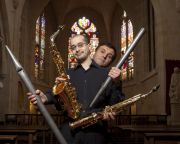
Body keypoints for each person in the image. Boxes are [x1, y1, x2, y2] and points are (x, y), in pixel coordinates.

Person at [28, 34, 123, 144]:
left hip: (96, 133)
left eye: (80, 45)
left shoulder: (108, 75)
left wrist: (116, 84)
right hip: (70, 133)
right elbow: (60, 103)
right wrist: (46, 97)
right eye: (73, 47)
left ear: (89, 46)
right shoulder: (67, 74)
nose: (77, 49)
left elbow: (115, 103)